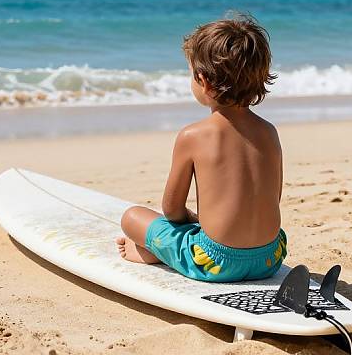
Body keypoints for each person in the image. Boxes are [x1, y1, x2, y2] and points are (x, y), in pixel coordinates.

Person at [116, 14, 286, 282]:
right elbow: (272, 199)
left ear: (203, 80)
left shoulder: (192, 136)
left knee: (132, 217)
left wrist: (194, 219)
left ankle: (159, 254)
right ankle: (168, 251)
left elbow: (172, 210)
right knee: (201, 233)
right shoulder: (269, 133)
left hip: (214, 262)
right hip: (270, 257)